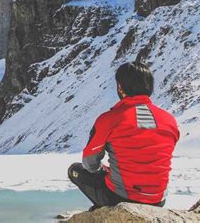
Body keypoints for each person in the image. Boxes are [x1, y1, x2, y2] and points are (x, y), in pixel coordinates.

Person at [68, 62, 179, 210]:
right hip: (158, 200)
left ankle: (104, 211)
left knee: (75, 170)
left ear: (120, 87)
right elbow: (149, 150)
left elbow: (89, 163)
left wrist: (103, 170)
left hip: (121, 197)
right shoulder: (169, 120)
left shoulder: (110, 119)